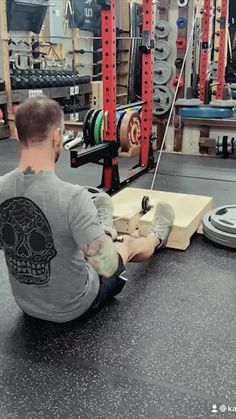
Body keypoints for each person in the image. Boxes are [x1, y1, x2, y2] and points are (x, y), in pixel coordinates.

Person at [0, 97, 175, 323]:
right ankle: (157, 237)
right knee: (127, 244)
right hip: (75, 306)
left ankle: (98, 228)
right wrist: (114, 244)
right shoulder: (72, 197)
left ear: (18, 135)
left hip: (27, 305)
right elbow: (106, 266)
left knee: (70, 238)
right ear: (56, 137)